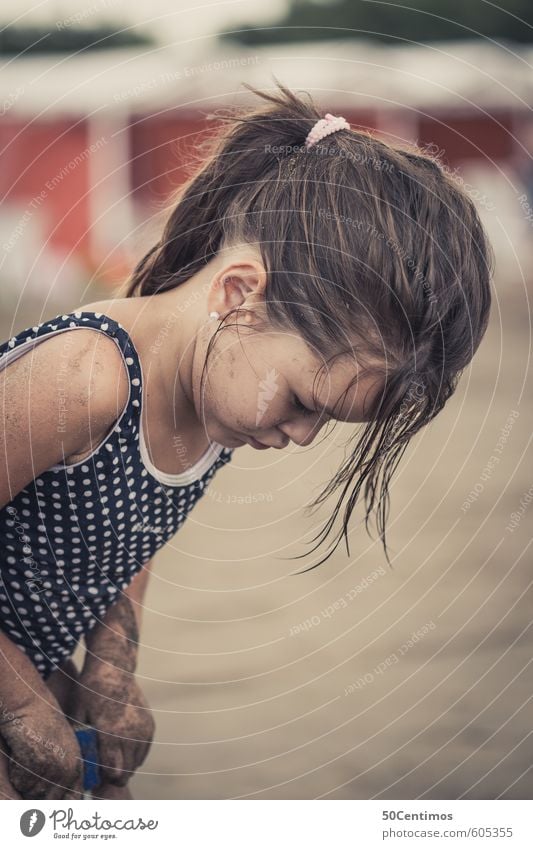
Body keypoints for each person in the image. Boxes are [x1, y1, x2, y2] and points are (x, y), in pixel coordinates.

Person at [0, 81, 493, 799]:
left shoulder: (215, 399)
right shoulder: (84, 378)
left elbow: (118, 534)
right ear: (237, 295)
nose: (299, 434)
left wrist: (110, 669)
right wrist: (19, 701)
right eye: (301, 402)